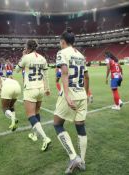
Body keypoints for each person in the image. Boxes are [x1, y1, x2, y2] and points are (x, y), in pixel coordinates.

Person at [54, 28, 89, 173]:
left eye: (60, 42)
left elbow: (65, 73)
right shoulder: (81, 55)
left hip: (70, 94)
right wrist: (85, 94)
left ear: (63, 41)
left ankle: (73, 156)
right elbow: (87, 77)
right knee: (80, 126)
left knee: (57, 124)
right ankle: (82, 161)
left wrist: (67, 95)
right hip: (82, 95)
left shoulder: (62, 53)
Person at [15, 39, 51, 151]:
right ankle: (35, 134)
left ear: (28, 47)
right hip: (40, 89)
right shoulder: (42, 58)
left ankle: (45, 138)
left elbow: (17, 70)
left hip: (30, 89)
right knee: (36, 113)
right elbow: (46, 75)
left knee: (31, 115)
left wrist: (23, 56)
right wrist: (47, 88)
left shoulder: (26, 58)